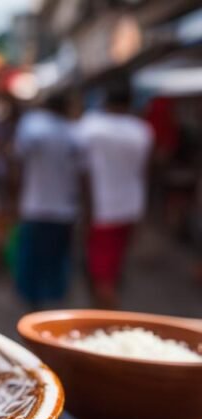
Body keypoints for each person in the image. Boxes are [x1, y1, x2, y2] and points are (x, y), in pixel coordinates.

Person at [76, 83, 154, 309]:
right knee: (113, 270)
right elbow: (146, 171)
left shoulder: (90, 127)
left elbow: (83, 173)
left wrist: (86, 212)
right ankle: (101, 320)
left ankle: (111, 326)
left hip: (102, 211)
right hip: (131, 208)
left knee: (100, 276)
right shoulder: (142, 130)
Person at [11, 94, 82, 309]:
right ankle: (50, 314)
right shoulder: (74, 132)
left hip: (35, 207)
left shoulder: (32, 126)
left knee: (32, 265)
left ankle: (35, 312)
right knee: (55, 263)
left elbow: (16, 165)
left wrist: (12, 198)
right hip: (64, 210)